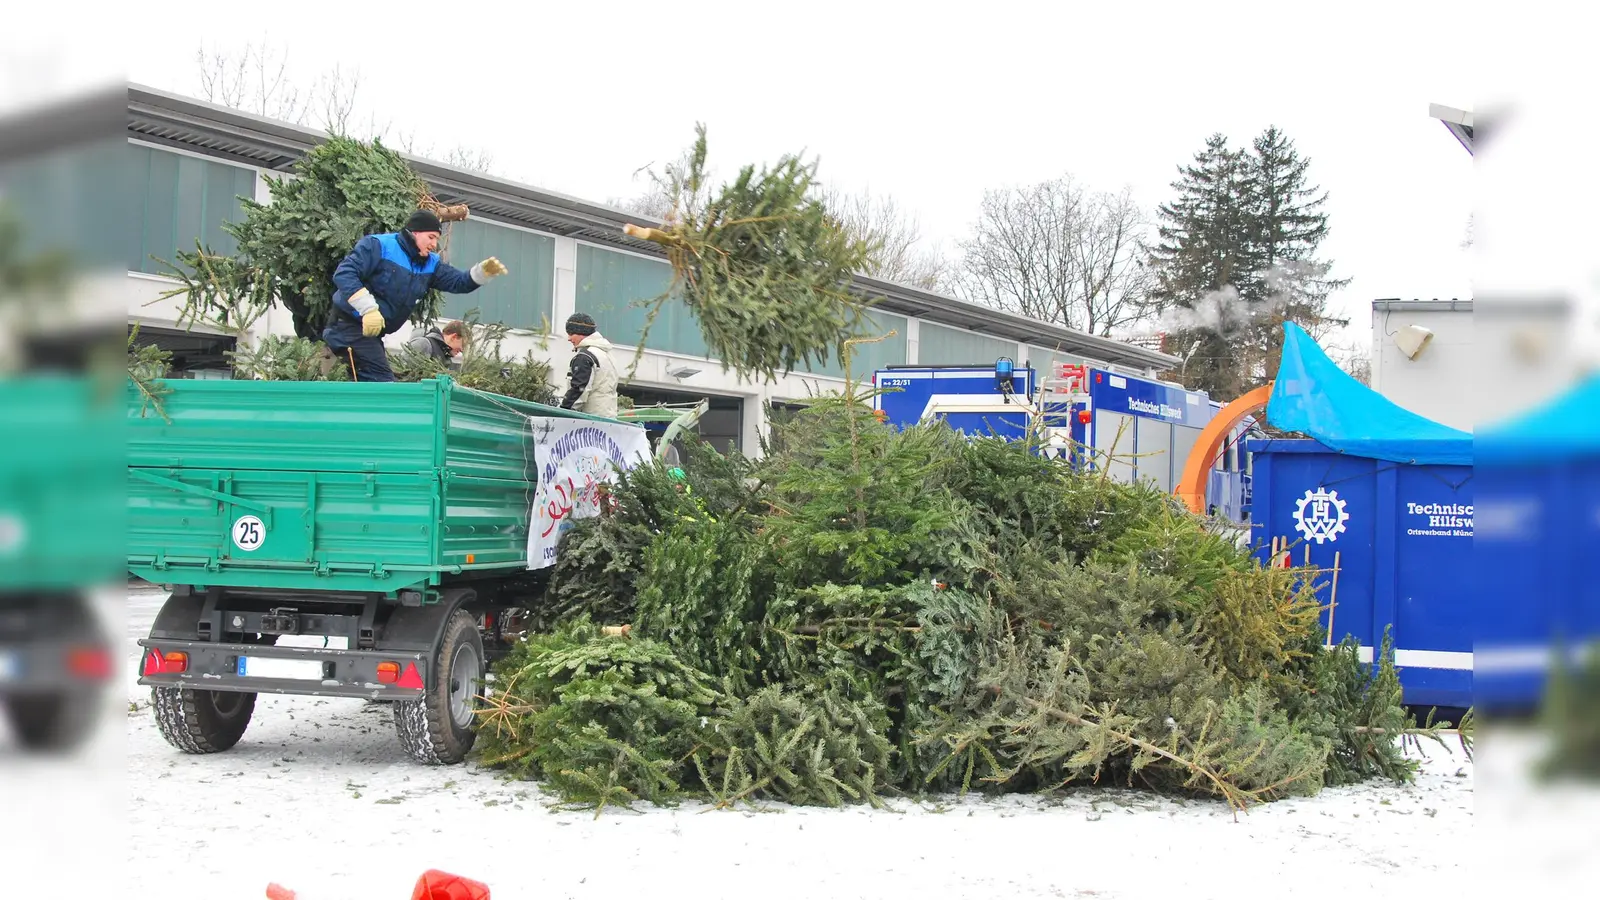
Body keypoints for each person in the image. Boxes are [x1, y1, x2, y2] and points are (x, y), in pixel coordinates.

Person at [323, 209, 507, 382]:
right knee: (383, 383)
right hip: (347, 325)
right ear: (414, 232)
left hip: (372, 334)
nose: (434, 244)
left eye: (437, 239)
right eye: (431, 237)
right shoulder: (379, 245)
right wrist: (368, 309)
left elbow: (458, 282)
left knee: (374, 381)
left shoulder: (430, 264)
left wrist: (480, 274)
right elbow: (345, 273)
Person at [558, 312, 620, 417]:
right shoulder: (607, 355)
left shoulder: (585, 357)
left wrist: (562, 410)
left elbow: (579, 390)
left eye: (571, 333)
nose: (569, 338)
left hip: (590, 419)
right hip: (608, 416)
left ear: (581, 332)